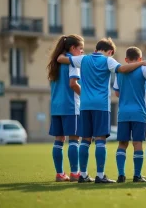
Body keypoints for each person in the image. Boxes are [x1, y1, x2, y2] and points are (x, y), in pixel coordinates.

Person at [57, 38, 146, 184]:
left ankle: (82, 175)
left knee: (85, 140)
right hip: (101, 105)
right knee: (100, 140)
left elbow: (61, 59)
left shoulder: (83, 59)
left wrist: (63, 54)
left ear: (96, 49)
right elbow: (123, 69)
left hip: (85, 104)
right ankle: (100, 175)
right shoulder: (108, 61)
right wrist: (142, 62)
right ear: (110, 52)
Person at [47, 34, 84, 182]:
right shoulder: (73, 62)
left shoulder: (55, 63)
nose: (82, 52)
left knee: (59, 140)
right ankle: (75, 173)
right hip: (70, 106)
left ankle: (60, 174)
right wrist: (85, 95)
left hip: (56, 107)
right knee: (74, 140)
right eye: (80, 48)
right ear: (73, 48)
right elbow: (73, 84)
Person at [113, 47, 146, 183]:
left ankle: (121, 175)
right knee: (137, 143)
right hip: (139, 112)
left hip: (123, 112)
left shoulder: (119, 72)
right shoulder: (143, 69)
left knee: (122, 144)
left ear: (126, 59)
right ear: (140, 59)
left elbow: (116, 93)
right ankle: (137, 175)